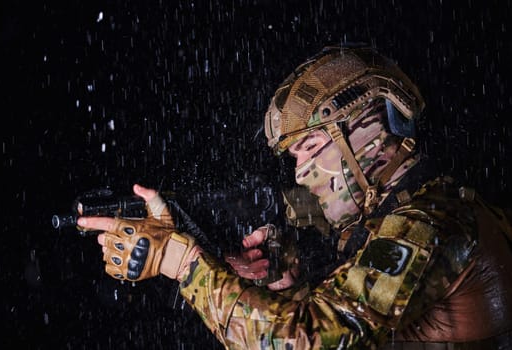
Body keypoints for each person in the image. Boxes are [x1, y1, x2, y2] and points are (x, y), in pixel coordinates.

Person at [78, 46, 512, 349]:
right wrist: (282, 287)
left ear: (366, 133)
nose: (301, 170)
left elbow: (306, 342)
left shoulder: (428, 223)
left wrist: (183, 263)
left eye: (309, 146)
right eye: (293, 156)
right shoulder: (404, 212)